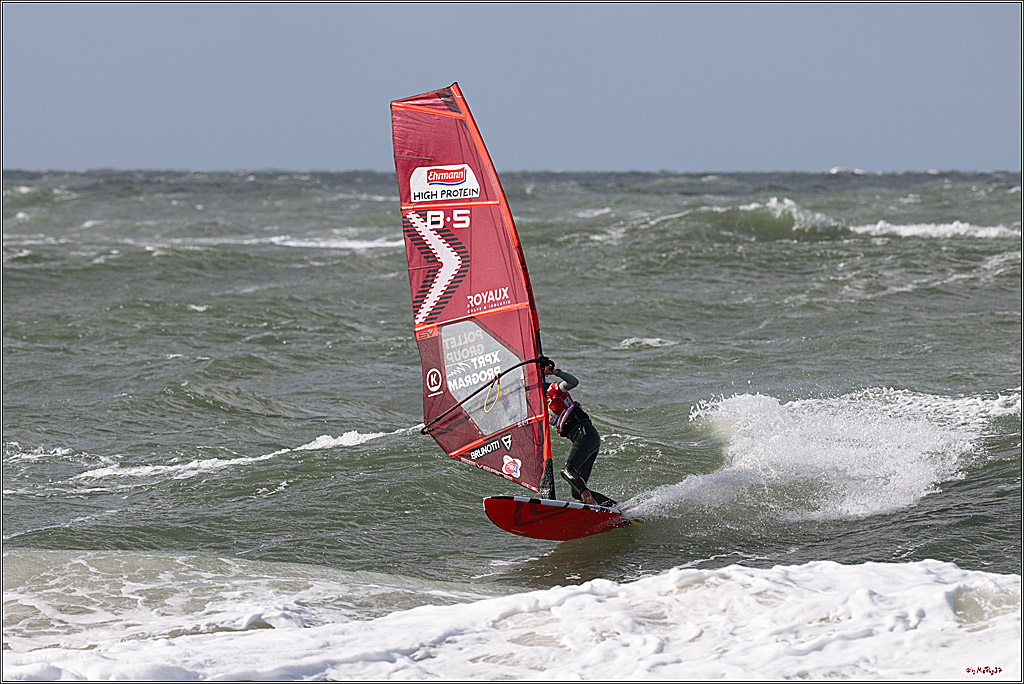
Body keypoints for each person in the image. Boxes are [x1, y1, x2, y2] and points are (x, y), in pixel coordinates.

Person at [541, 360, 617, 508]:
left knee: (567, 471)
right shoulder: (539, 406)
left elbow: (573, 382)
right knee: (577, 492)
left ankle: (590, 501)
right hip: (584, 438)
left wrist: (557, 373)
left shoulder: (552, 389)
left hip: (585, 433)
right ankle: (616, 507)